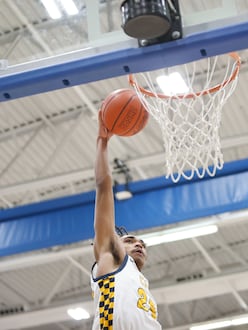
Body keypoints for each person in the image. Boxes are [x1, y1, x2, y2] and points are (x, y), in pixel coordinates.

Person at [90, 110, 162, 330]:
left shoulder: (141, 286)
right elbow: (103, 187)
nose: (138, 244)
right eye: (130, 240)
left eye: (141, 243)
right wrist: (103, 142)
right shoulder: (111, 256)